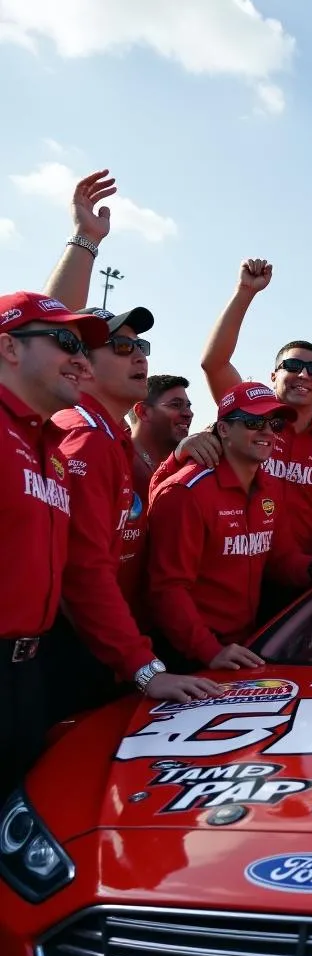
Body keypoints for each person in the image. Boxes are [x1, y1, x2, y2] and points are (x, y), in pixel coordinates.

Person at [44, 305, 216, 713]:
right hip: (75, 649)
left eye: (141, 345)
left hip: (100, 642)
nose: (140, 356)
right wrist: (144, 669)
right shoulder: (87, 438)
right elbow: (83, 572)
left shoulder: (110, 436)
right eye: (122, 346)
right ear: (81, 364)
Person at [148, 382, 312, 671]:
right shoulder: (186, 492)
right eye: (253, 422)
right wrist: (208, 651)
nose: (267, 432)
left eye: (274, 424)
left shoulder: (268, 487)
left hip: (243, 645)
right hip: (190, 654)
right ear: (223, 430)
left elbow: (279, 558)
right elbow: (167, 589)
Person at [198, 259, 312, 610]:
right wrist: (245, 293)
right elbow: (214, 364)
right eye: (292, 366)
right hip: (231, 572)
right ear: (273, 376)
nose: (303, 374)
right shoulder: (247, 416)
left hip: (301, 577)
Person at [0, 293, 106, 796]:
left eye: (84, 348)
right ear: (8, 348)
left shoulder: (53, 452)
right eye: (66, 341)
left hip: (29, 674)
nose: (81, 361)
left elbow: (84, 573)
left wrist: (145, 670)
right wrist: (83, 240)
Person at [129, 374, 194, 496]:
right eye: (175, 405)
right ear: (143, 412)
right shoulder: (116, 457)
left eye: (188, 405)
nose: (188, 413)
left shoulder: (188, 462)